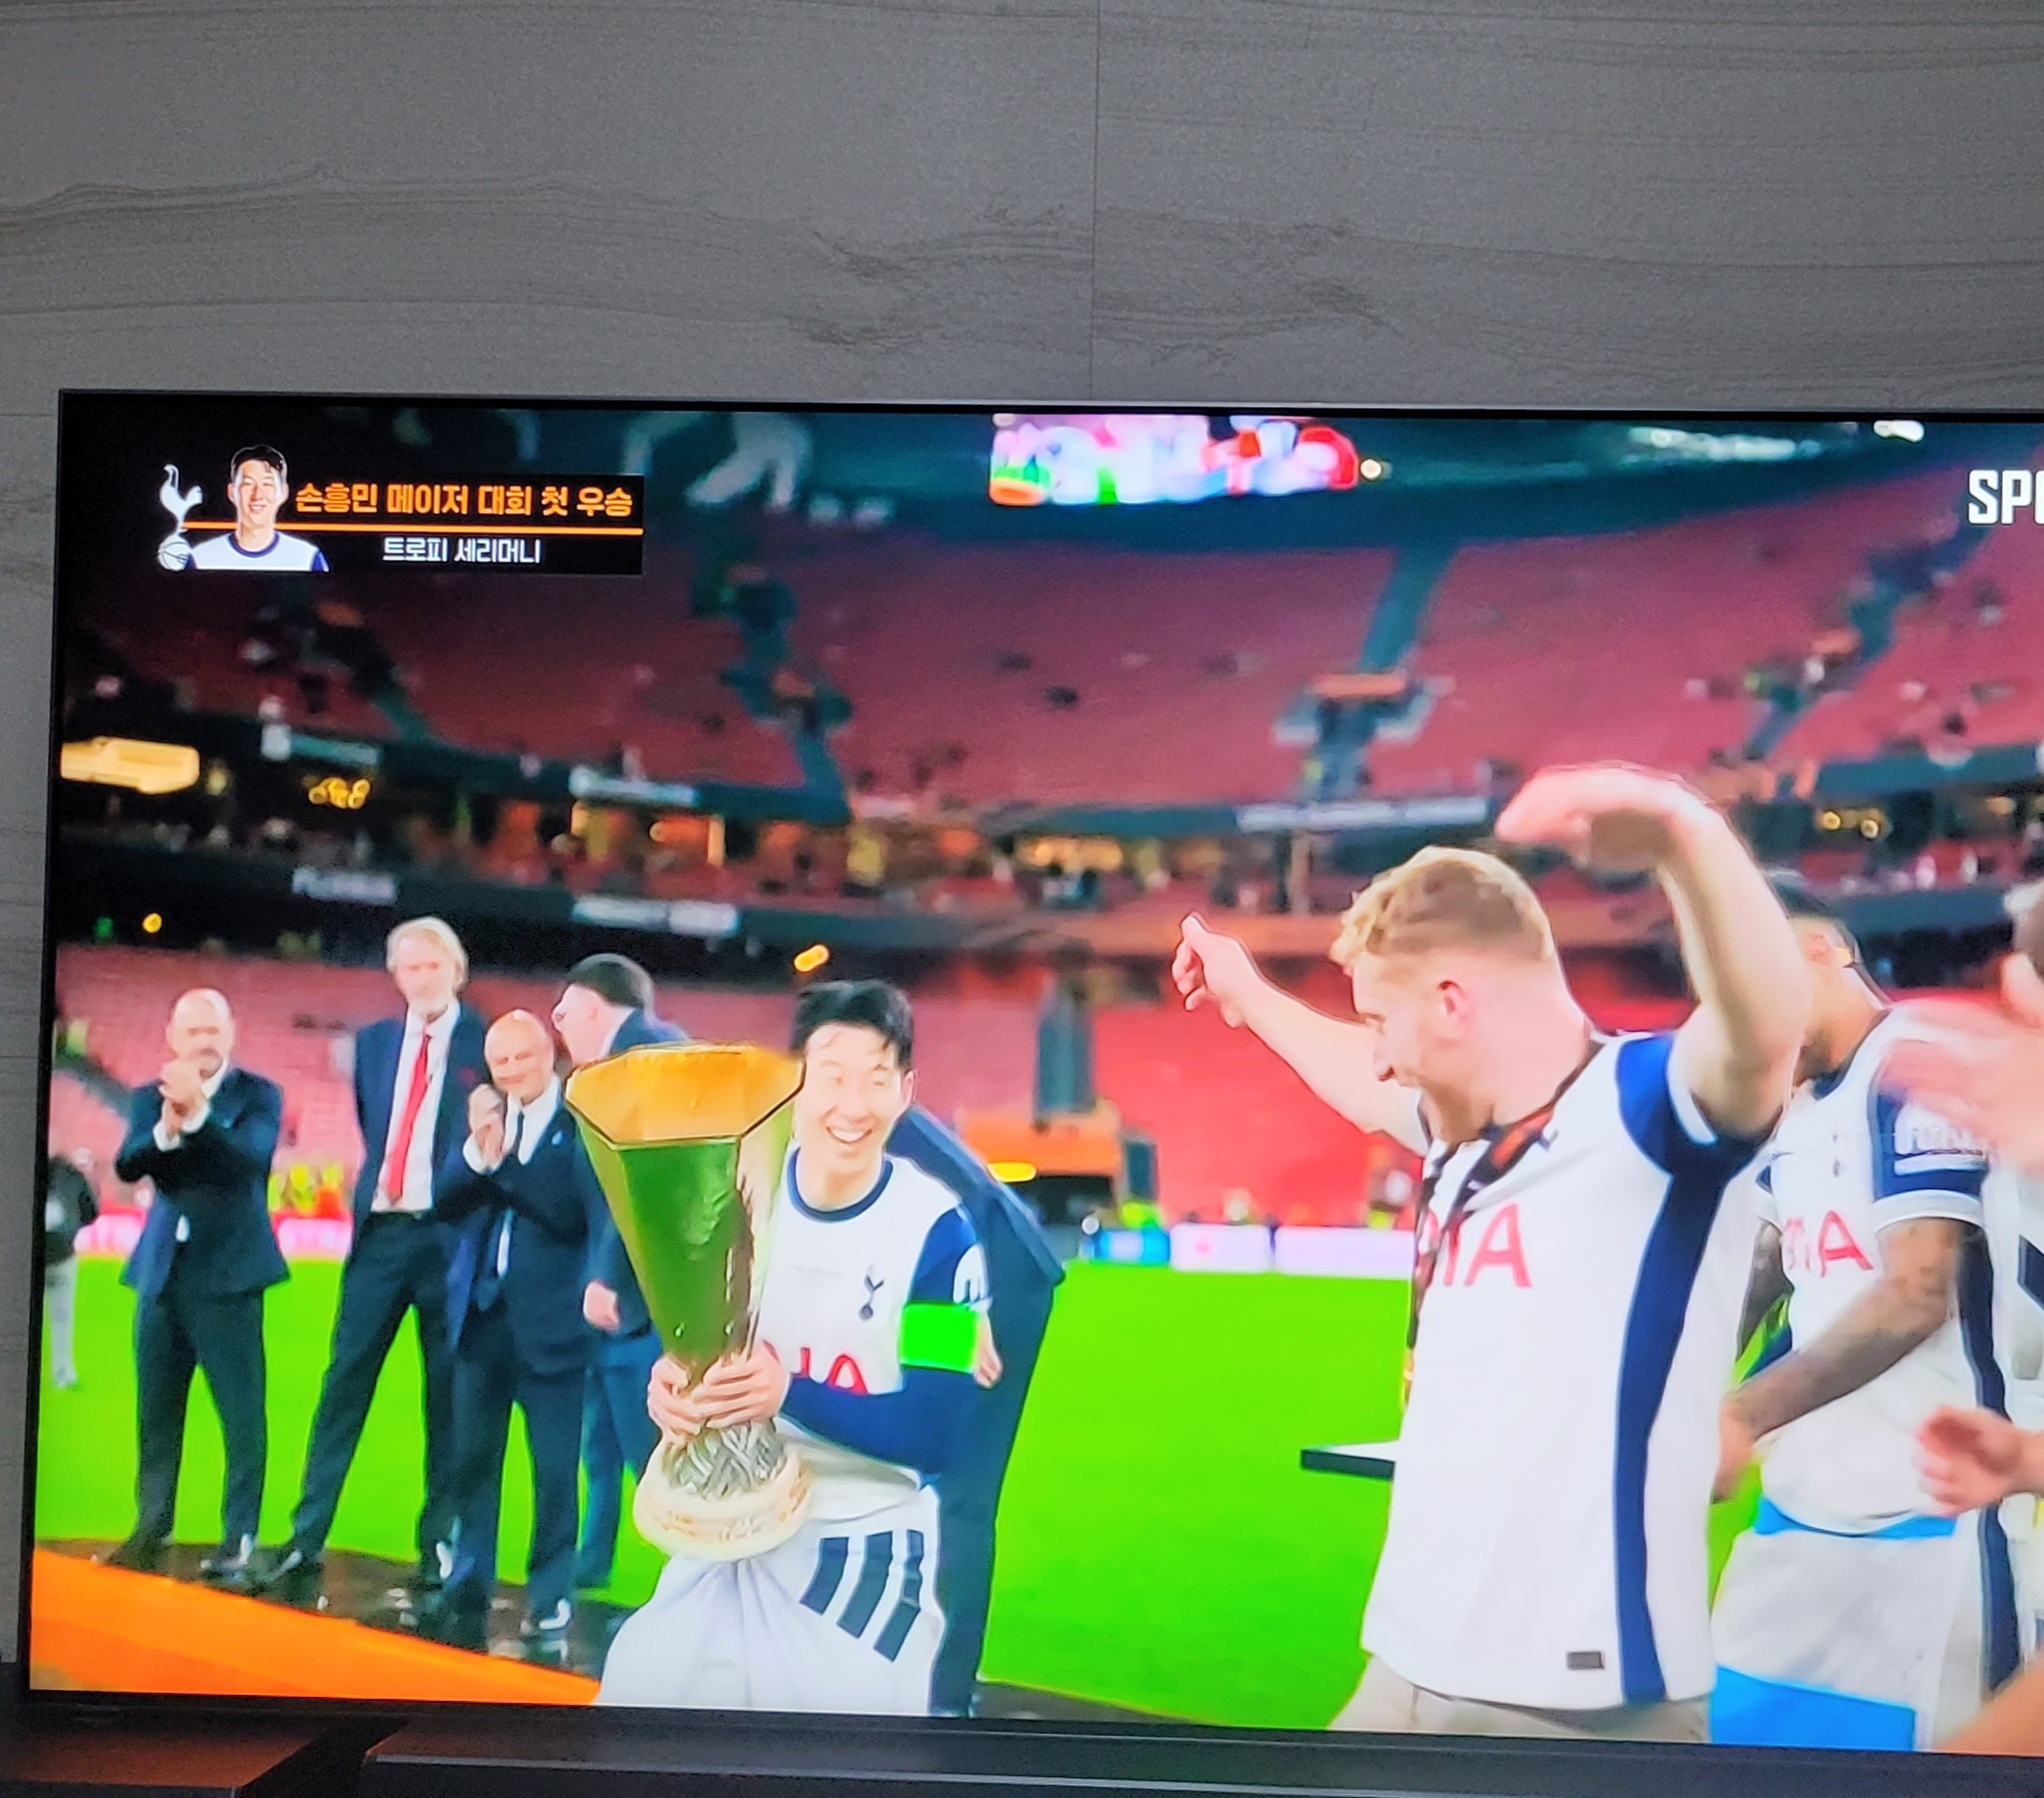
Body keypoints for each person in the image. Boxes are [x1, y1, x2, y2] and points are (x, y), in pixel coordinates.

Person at [1173, 763, 1806, 1741]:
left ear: (1453, 1002)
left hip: (1573, 1706)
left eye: (1382, 1021)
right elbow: (1356, 1080)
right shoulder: (1462, 1136)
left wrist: (1683, 838)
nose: (1379, 1055)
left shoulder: (1646, 1113)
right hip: (1406, 1663)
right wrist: (1245, 990)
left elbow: (1762, 1035)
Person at [597, 980, 987, 1714]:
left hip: (859, 1541)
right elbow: (698, 1347)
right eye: (832, 1076)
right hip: (731, 1525)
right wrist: (674, 1386)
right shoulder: (737, 1198)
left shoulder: (939, 1234)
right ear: (796, 1081)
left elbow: (939, 1431)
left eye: (876, 1079)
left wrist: (788, 1393)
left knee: (826, 1745)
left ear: (906, 1092)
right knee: (635, 1703)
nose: (853, 1106)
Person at [1708, 882, 2002, 1749]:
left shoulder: (1917, 1068)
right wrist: (1662, 1400)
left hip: (1927, 1522)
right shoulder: (1793, 1104)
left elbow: (1917, 1292)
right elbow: (1759, 1272)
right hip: (1800, 1514)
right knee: (1728, 1755)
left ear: (1822, 952)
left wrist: (1737, 1416)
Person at [261, 918, 488, 1593]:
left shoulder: (485, 1043)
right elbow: (375, 1123)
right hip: (380, 1236)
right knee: (342, 1385)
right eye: (409, 969)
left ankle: (438, 1542)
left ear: (455, 970)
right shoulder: (374, 1043)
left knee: (447, 1399)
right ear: (396, 977)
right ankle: (306, 1537)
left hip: (449, 1238)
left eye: (432, 966)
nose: (421, 979)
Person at [423, 1009, 599, 1645]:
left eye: (523, 1057)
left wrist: (502, 1168)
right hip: (482, 1318)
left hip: (553, 1328)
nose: (512, 1070)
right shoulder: (484, 1123)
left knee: (554, 1472)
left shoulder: (580, 1124)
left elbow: (568, 1212)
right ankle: (469, 1582)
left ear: (548, 1055)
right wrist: (479, 1152)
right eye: (501, 1061)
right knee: (472, 1461)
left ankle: (550, 1595)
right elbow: (445, 1200)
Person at [105, 990, 286, 1580]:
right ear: (172, 1037)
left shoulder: (258, 1095)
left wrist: (201, 1117)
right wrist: (166, 1129)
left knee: (240, 1415)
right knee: (156, 1413)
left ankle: (239, 1536)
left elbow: (246, 1163)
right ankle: (150, 1526)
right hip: (162, 1273)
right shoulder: (148, 1097)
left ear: (231, 1032)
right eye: (193, 1031)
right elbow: (129, 1163)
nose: (204, 1040)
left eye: (213, 1029)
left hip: (229, 1277)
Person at [551, 953, 683, 1592]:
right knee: (601, 1441)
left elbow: (642, 1176)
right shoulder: (619, 1065)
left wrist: (608, 1274)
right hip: (628, 1298)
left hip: (641, 1299)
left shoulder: (646, 1056)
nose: (557, 1022)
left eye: (564, 1010)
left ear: (595, 1006)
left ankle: (696, 1583)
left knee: (649, 1449)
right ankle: (591, 1565)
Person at [187, 446, 330, 571]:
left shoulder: (307, 559)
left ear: (283, 493)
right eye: (248, 484)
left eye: (267, 485)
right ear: (232, 492)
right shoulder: (201, 558)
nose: (257, 495)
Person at [43, 1148, 100, 1389]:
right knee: (62, 1318)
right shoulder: (72, 1174)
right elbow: (91, 1212)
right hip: (63, 1254)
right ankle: (63, 1373)